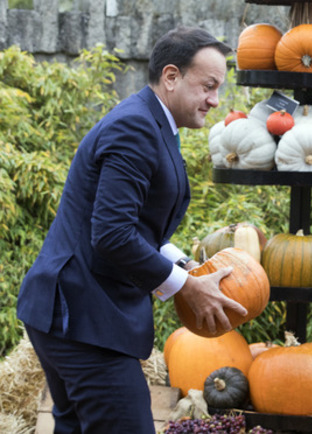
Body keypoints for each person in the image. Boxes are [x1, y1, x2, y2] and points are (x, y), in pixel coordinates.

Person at [16, 26, 247, 433]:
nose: (215, 100)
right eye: (209, 86)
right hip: (82, 318)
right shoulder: (136, 128)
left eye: (219, 88)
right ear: (171, 77)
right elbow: (111, 234)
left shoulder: (154, 124)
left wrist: (185, 264)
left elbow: (131, 225)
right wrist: (186, 287)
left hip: (73, 314)